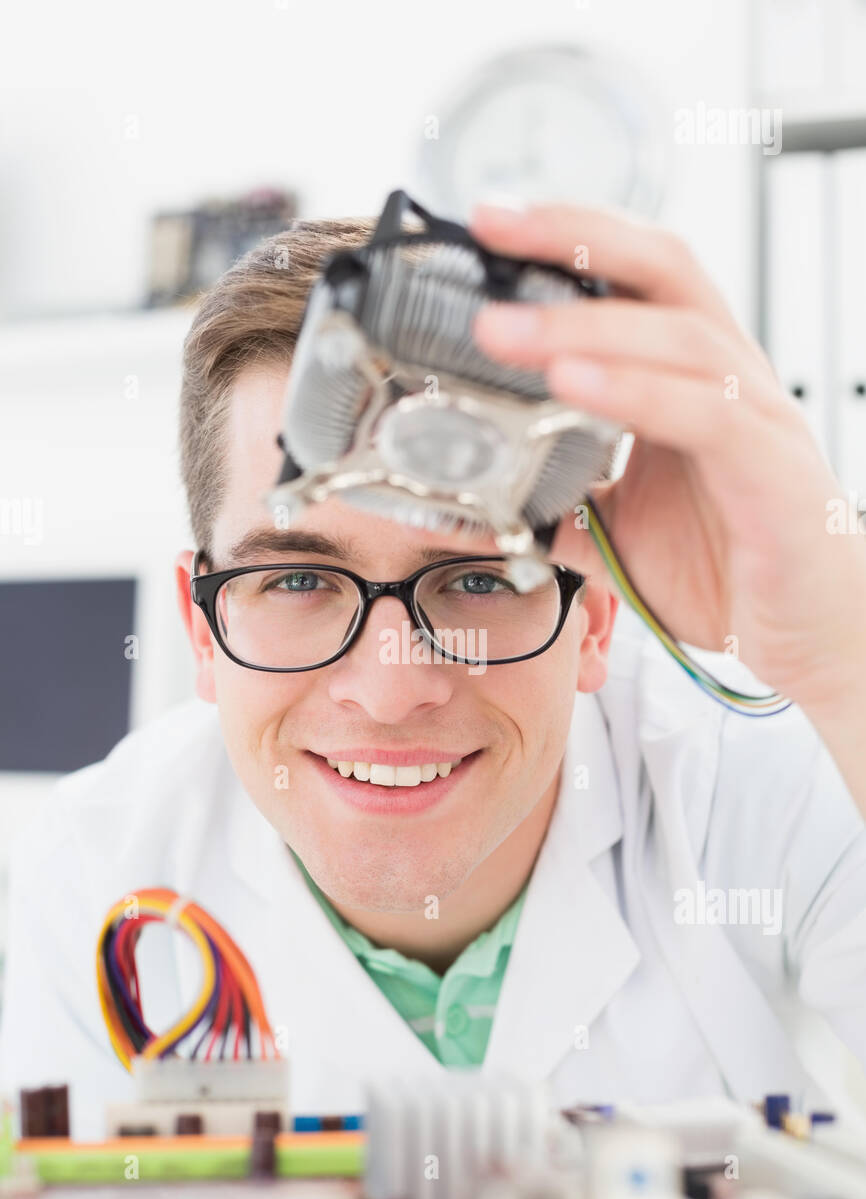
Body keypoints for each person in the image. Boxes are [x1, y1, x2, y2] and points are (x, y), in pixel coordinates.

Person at [2, 202, 865, 1141]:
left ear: (595, 616)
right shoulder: (93, 884)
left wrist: (842, 652)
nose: (390, 688)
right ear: (200, 629)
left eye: (478, 578)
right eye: (296, 578)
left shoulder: (769, 792)